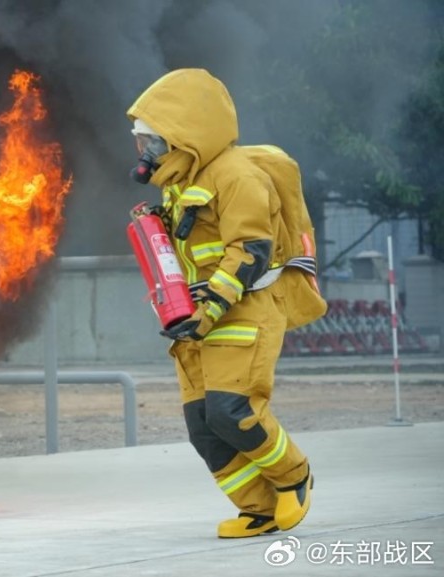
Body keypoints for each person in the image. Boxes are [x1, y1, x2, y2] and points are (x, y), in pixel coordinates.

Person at [125, 68, 314, 539]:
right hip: (193, 320)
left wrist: (208, 310)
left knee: (233, 410)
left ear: (188, 135)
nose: (147, 153)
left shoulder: (238, 176)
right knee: (203, 426)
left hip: (241, 310)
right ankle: (259, 508)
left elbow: (249, 249)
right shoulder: (178, 182)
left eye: (154, 140)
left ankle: (294, 476)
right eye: (142, 142)